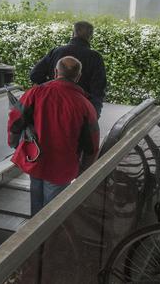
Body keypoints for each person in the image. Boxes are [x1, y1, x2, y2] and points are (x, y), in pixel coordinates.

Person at [8, 56, 100, 216]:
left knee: (36, 205)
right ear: (78, 77)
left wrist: (14, 143)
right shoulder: (85, 105)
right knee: (51, 213)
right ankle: (46, 239)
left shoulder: (36, 92)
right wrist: (84, 170)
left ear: (56, 72)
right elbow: (92, 144)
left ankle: (31, 237)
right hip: (62, 168)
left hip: (34, 159)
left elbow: (15, 119)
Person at [30, 21, 107, 117]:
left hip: (52, 107)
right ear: (90, 36)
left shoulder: (56, 52)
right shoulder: (95, 58)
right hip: (80, 112)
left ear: (73, 33)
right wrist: (94, 114)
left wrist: (50, 86)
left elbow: (35, 75)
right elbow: (98, 90)